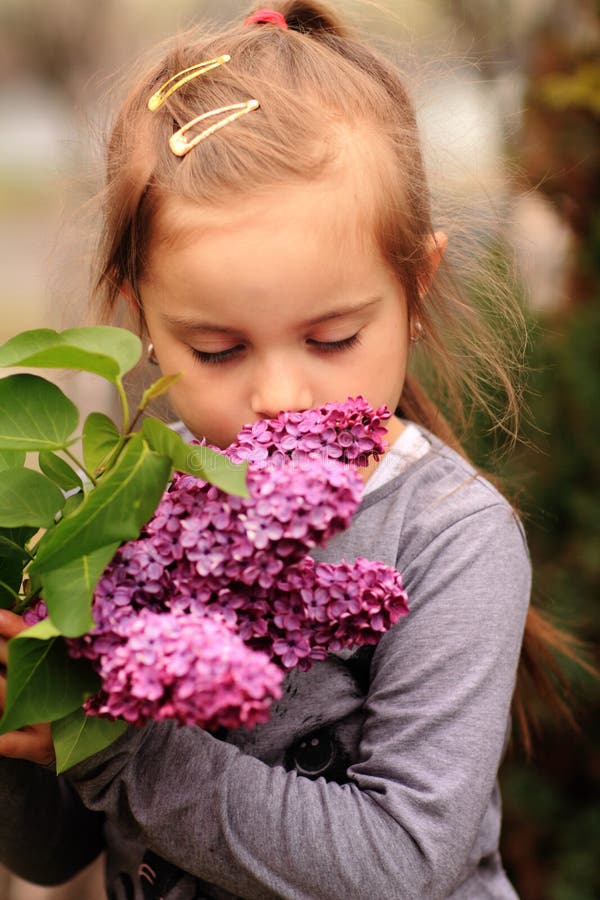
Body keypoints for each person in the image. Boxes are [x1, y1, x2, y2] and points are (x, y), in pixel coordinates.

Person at [0, 2, 570, 897]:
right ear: (139, 314)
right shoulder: (128, 497)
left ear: (415, 287)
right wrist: (28, 726)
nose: (277, 395)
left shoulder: (451, 538)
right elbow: (52, 851)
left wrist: (128, 749)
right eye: (218, 351)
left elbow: (402, 864)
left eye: (332, 338)